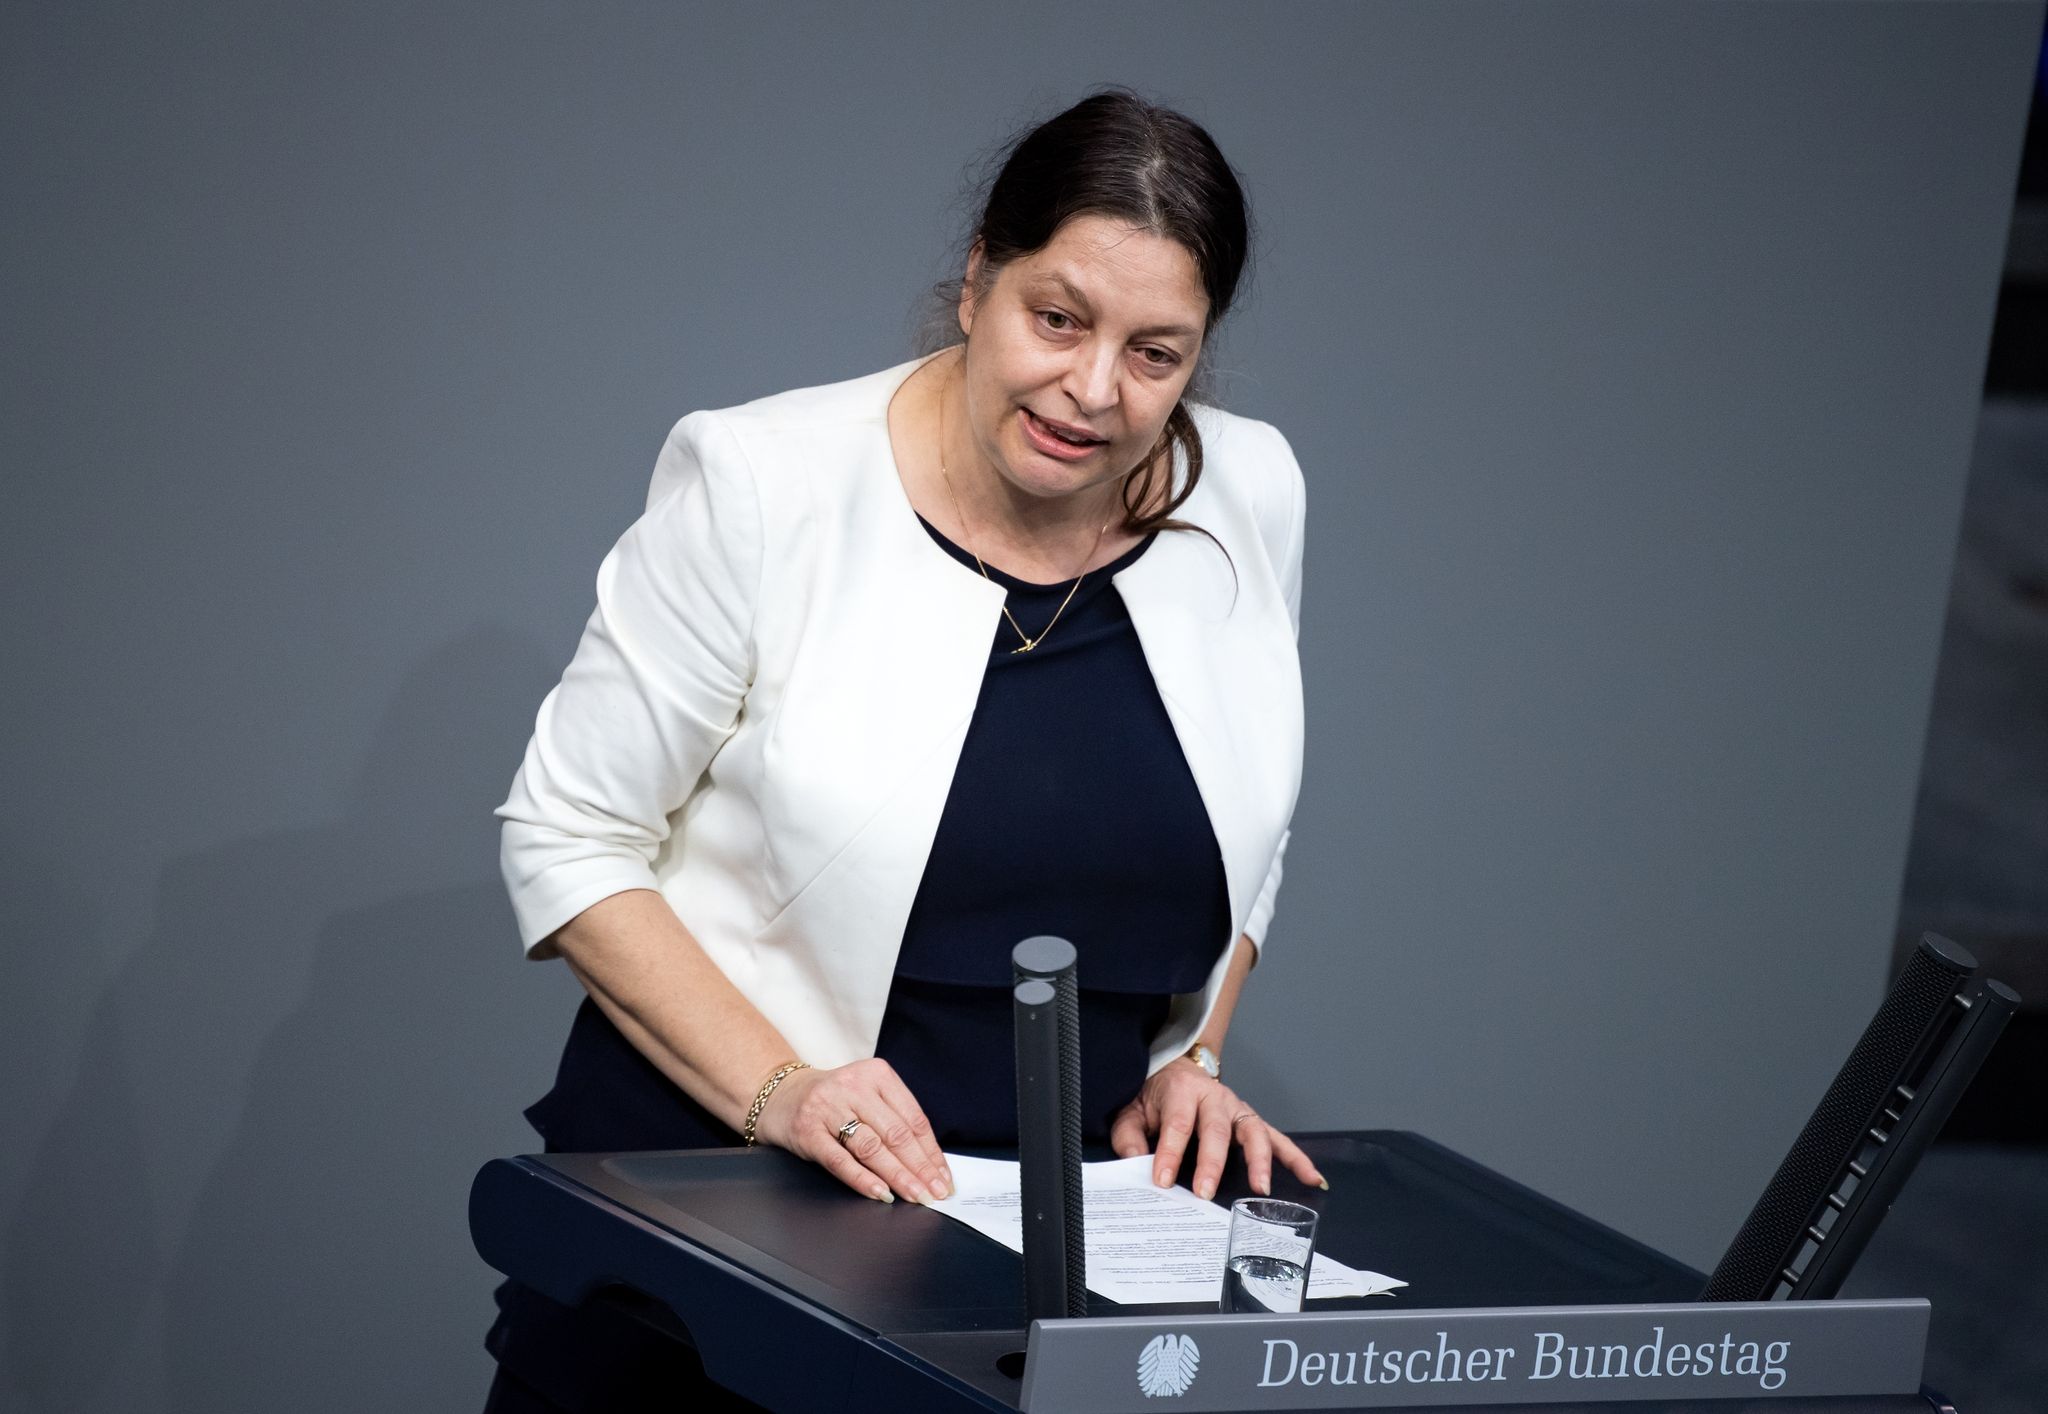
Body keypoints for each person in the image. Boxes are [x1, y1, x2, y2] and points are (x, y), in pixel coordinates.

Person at [482, 88, 1316, 1413]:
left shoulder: (1250, 491)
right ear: (979, 278)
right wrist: (783, 1090)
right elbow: (568, 837)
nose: (1096, 390)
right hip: (717, 1235)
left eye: (1156, 353)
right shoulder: (765, 485)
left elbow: (1246, 825)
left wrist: (1190, 1059)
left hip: (1038, 1281)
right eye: (1059, 318)